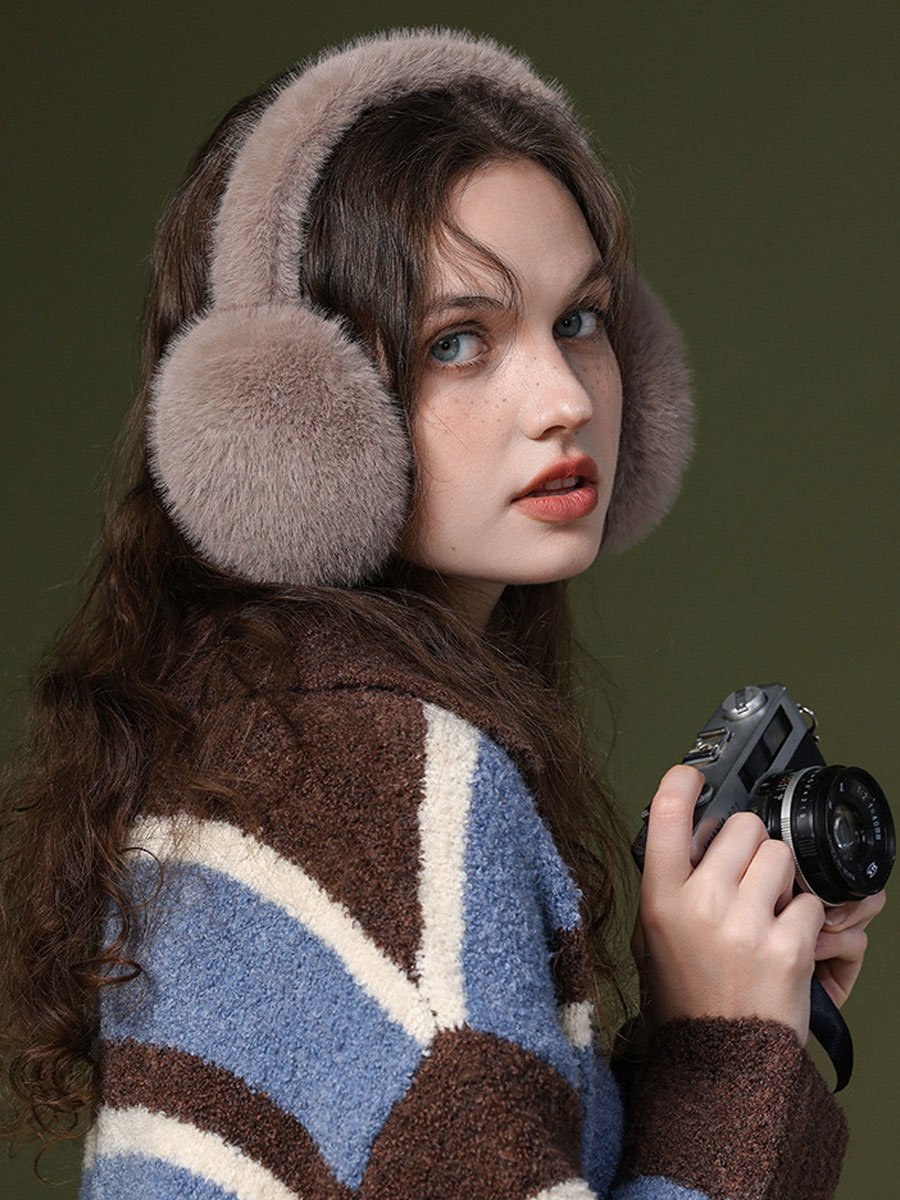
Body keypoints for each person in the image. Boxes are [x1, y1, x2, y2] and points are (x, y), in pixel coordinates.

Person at [0, 25, 886, 1200]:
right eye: (459, 342)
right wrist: (730, 1067)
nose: (565, 399)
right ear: (295, 417)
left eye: (581, 319)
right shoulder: (384, 776)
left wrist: (712, 1027)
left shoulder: (273, 742)